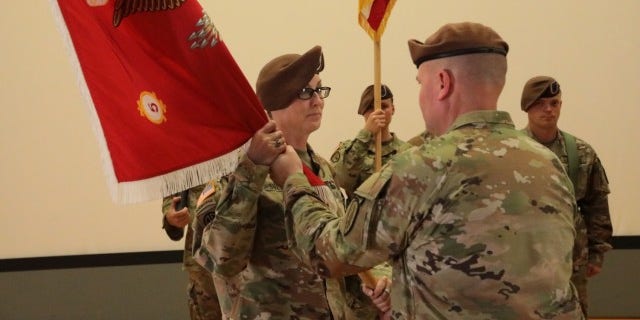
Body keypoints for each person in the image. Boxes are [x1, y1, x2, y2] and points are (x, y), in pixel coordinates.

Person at [270, 22, 584, 319]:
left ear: (443, 83)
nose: (420, 97)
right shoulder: (549, 165)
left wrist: (294, 180)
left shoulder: (422, 168)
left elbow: (330, 252)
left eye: (421, 84)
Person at [192, 45, 390, 319]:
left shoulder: (323, 169)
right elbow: (221, 260)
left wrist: (374, 286)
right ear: (274, 103)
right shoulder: (237, 171)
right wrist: (253, 169)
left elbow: (336, 250)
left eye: (319, 90)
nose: (317, 101)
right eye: (305, 92)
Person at [520, 75, 613, 316]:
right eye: (540, 104)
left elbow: (597, 204)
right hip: (522, 258)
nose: (548, 110)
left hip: (571, 261)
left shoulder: (581, 153)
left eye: (554, 103)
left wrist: (596, 253)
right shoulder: (512, 151)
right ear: (527, 107)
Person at [331, 84, 411, 200]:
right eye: (371, 108)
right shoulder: (348, 149)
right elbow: (341, 180)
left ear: (393, 109)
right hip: (360, 217)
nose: (378, 112)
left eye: (384, 106)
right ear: (363, 111)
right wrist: (366, 133)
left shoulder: (407, 152)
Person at [162, 185, 222, 320]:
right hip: (203, 266)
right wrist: (170, 216)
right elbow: (172, 195)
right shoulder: (187, 164)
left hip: (248, 257)